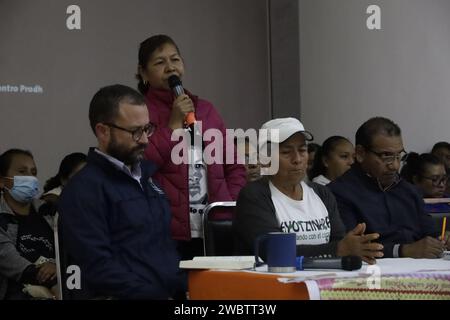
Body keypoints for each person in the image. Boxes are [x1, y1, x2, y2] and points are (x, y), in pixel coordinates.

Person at [58, 84, 186, 299]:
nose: (145, 139)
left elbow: (163, 250)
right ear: (103, 131)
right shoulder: (83, 190)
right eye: (136, 131)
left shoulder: (148, 179)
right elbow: (98, 267)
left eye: (147, 129)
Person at [136, 34, 246, 259]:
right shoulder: (139, 112)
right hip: (166, 228)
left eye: (175, 59)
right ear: (143, 72)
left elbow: (234, 166)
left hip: (214, 223)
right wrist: (173, 125)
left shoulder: (205, 109)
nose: (170, 68)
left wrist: (229, 205)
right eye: (160, 62)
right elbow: (143, 165)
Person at [233, 118, 383, 264]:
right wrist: (338, 249)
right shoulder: (254, 196)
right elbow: (274, 251)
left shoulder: (322, 193)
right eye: (286, 152)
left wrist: (353, 246)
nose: (297, 159)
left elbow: (339, 241)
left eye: (302, 150)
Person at [329, 117, 449, 259]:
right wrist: (403, 250)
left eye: (398, 155)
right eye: (386, 156)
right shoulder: (339, 192)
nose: (395, 165)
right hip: (372, 273)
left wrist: (443, 239)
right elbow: (352, 247)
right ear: (360, 154)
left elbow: (431, 233)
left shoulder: (409, 191)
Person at [0, 149, 57, 299]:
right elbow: (11, 262)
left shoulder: (50, 212)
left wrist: (58, 267)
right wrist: (49, 274)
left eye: (33, 172)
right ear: (2, 180)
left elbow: (70, 251)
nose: (30, 178)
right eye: (22, 171)